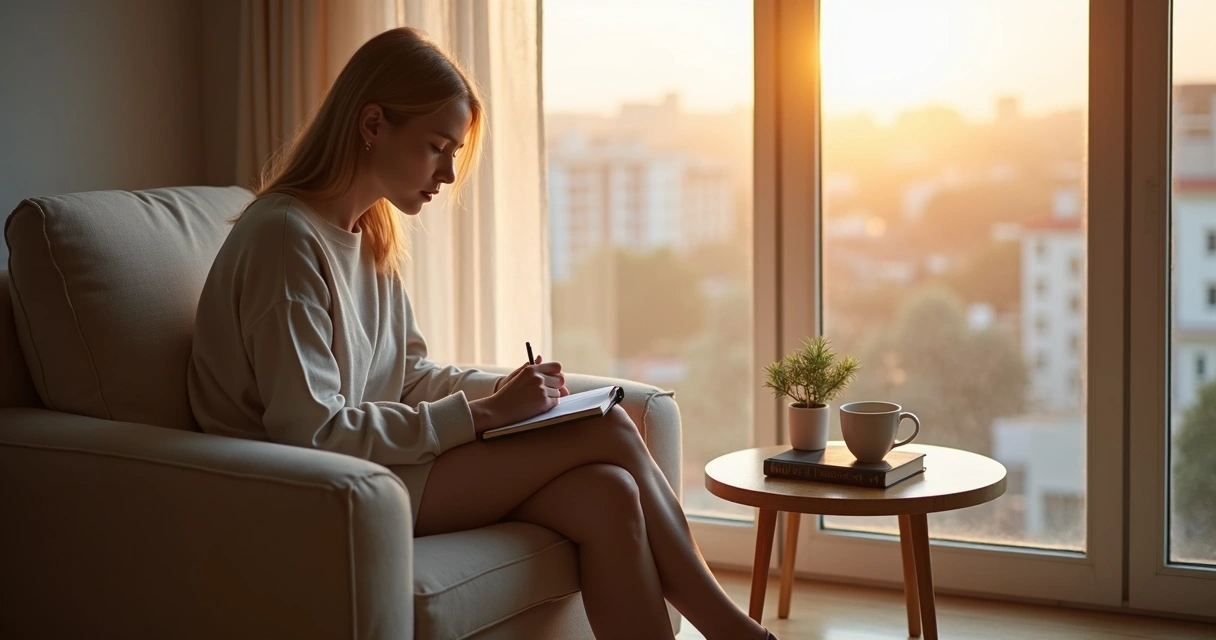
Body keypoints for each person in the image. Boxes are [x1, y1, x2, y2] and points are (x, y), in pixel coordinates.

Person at [187, 26, 777, 640]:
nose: (446, 173)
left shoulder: (368, 233)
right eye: (436, 146)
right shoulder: (285, 240)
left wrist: (509, 394)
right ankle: (737, 633)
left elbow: (409, 376)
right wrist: (483, 414)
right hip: (318, 490)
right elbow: (311, 432)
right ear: (371, 125)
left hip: (381, 468)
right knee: (608, 426)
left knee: (606, 494)